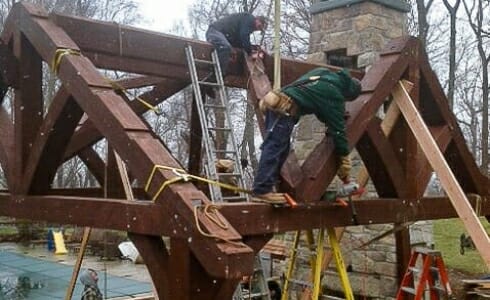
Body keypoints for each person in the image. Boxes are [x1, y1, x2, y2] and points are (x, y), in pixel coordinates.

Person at [252, 67, 362, 203]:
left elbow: (317, 104)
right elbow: (338, 131)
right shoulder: (334, 94)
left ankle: (268, 187)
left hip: (279, 105)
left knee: (282, 150)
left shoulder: (323, 73)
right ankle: (261, 190)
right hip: (283, 110)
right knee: (274, 147)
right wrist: (344, 157)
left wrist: (333, 113)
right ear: (348, 94)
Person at [206, 13, 267, 77]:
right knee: (225, 47)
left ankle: (217, 75)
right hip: (214, 31)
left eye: (259, 29)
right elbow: (244, 36)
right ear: (257, 19)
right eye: (259, 26)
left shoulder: (240, 27)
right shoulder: (249, 19)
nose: (256, 29)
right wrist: (250, 52)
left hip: (223, 35)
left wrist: (251, 49)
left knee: (228, 47)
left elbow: (240, 41)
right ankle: (217, 74)